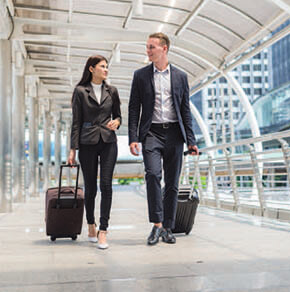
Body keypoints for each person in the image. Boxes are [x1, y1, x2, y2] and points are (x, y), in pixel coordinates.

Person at [128, 32, 199, 246]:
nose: (148, 51)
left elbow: (185, 110)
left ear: (164, 49)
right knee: (152, 175)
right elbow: (134, 109)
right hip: (151, 133)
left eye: (152, 47)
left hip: (175, 134)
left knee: (172, 184)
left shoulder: (180, 76)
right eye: (147, 47)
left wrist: (191, 141)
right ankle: (157, 225)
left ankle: (169, 227)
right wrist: (133, 138)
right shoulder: (140, 75)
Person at [67, 55, 121, 249]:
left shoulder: (112, 91)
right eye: (102, 66)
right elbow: (75, 123)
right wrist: (72, 150)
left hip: (108, 141)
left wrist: (117, 122)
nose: (106, 69)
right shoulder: (80, 91)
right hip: (87, 141)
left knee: (106, 185)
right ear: (91, 69)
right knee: (91, 188)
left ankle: (103, 231)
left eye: (107, 66)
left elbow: (118, 116)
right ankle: (91, 224)